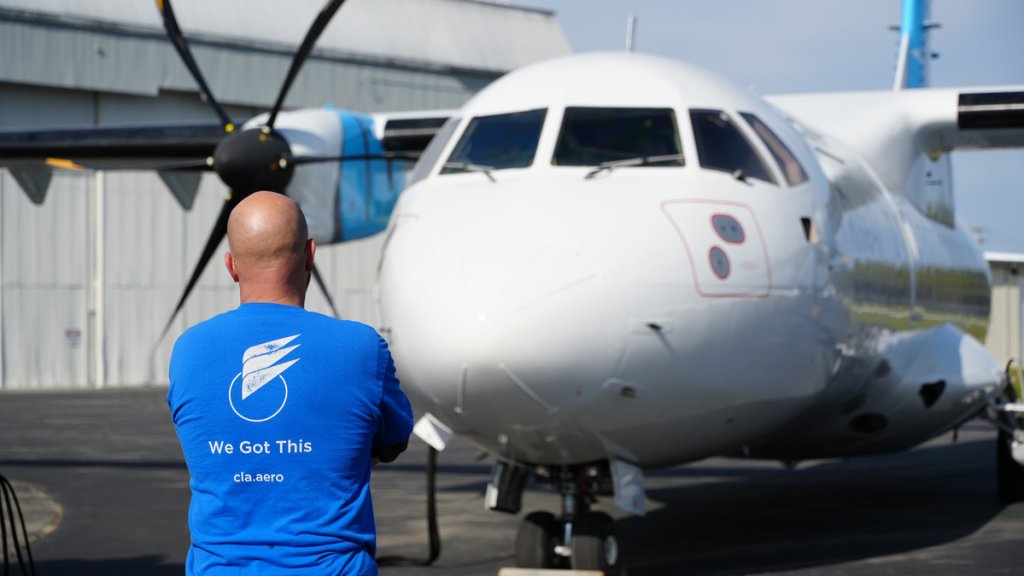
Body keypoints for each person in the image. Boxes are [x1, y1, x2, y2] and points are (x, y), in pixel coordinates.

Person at [167, 191, 414, 575]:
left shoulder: (188, 351)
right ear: (310, 255)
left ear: (231, 265)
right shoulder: (362, 348)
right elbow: (392, 440)